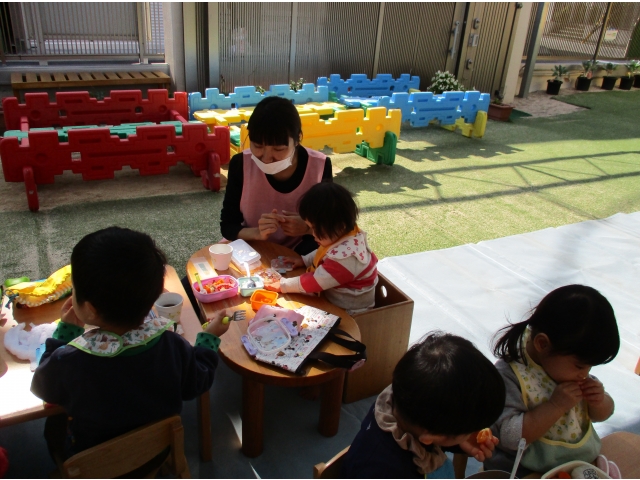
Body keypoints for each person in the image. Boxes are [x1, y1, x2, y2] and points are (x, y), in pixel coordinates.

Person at [30, 226, 230, 463]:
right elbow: (197, 382)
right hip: (157, 453)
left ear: (90, 309)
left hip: (93, 466)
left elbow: (43, 389)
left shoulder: (69, 361)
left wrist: (65, 334)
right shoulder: (172, 345)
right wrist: (208, 339)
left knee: (53, 425)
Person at [486, 285, 620, 476]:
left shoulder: (565, 365)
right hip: (522, 470)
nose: (585, 374)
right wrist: (555, 406)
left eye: (590, 367)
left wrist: (599, 401)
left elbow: (602, 415)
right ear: (542, 344)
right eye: (580, 366)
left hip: (577, 463)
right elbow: (509, 437)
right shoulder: (510, 376)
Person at [341, 332, 506, 479]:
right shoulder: (384, 471)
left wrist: (458, 443)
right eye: (466, 432)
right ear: (431, 438)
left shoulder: (406, 399)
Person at [220, 95, 332, 256]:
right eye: (257, 146)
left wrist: (307, 228)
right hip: (251, 249)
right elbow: (228, 225)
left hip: (301, 253)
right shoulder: (240, 164)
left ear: (297, 140)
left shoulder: (319, 166)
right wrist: (257, 233)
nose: (266, 158)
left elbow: (331, 225)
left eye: (278, 149)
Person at [269, 182, 378, 315]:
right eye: (310, 227)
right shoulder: (345, 236)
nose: (313, 234)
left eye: (315, 229)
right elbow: (324, 252)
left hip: (352, 313)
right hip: (334, 299)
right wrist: (303, 260)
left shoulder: (346, 260)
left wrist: (283, 284)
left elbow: (315, 281)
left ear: (340, 226)